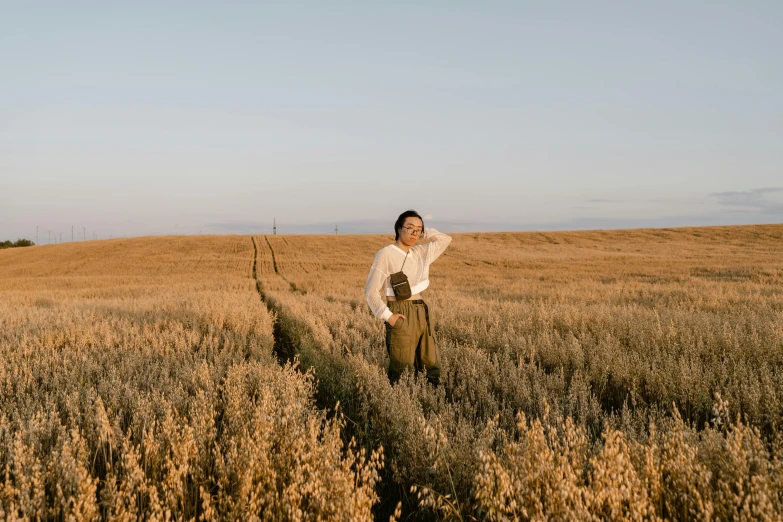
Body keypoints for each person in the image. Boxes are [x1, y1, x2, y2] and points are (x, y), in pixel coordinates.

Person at [364, 210, 452, 386]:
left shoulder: (420, 253)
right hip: (400, 312)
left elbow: (445, 240)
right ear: (398, 228)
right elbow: (371, 291)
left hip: (421, 311)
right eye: (410, 228)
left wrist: (425, 232)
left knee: (431, 365)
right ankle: (398, 406)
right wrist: (389, 317)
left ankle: (430, 407)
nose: (414, 233)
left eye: (419, 229)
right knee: (401, 369)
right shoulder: (386, 254)